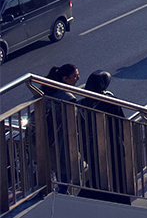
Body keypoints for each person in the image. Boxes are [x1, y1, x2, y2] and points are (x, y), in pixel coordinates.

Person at [77, 71, 130, 204]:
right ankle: (120, 201)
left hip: (92, 146)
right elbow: (121, 123)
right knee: (117, 174)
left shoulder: (83, 102)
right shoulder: (110, 101)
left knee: (96, 172)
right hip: (112, 144)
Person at [42, 64, 79, 193]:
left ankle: (60, 192)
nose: (78, 78)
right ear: (65, 78)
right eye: (75, 76)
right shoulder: (68, 98)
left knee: (57, 165)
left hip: (49, 136)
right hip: (62, 137)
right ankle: (63, 193)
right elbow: (71, 122)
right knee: (65, 167)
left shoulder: (49, 91)